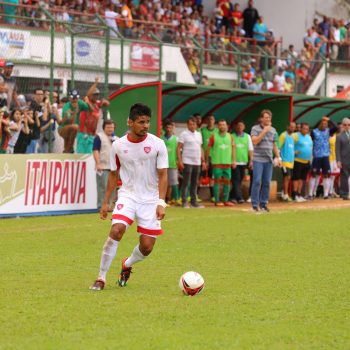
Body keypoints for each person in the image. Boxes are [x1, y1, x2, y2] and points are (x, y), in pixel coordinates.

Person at [90, 103, 168, 291]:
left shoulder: (157, 144)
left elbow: (163, 174)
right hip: (128, 195)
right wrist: (105, 202)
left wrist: (161, 202)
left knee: (147, 246)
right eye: (141, 122)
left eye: (148, 122)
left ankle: (127, 263)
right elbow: (113, 174)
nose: (146, 125)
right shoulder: (118, 146)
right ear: (130, 122)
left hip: (150, 199)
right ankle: (101, 278)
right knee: (117, 230)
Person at [250, 110, 281, 212]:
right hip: (258, 159)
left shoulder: (273, 130)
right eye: (266, 117)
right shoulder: (255, 128)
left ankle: (263, 204)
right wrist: (264, 131)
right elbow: (255, 141)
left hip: (268, 160)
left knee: (267, 182)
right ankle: (255, 204)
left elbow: (274, 145)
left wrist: (278, 157)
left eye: (269, 117)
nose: (268, 119)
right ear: (261, 118)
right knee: (257, 181)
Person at [205, 119, 235, 207]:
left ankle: (225, 200)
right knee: (217, 181)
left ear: (227, 126)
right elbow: (208, 149)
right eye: (220, 125)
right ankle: (217, 200)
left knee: (227, 182)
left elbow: (233, 149)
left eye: (224, 125)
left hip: (227, 163)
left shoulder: (230, 136)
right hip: (217, 163)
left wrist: (234, 160)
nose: (222, 126)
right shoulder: (213, 136)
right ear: (218, 126)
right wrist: (206, 161)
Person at [177, 116, 206, 208]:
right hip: (187, 161)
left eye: (193, 124)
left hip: (197, 162)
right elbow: (178, 148)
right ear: (187, 125)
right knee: (186, 182)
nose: (192, 126)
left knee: (195, 182)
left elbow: (200, 148)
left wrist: (203, 161)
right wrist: (180, 161)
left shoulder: (199, 134)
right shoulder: (184, 134)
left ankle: (194, 202)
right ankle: (184, 201)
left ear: (196, 125)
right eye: (190, 124)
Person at [307, 117, 338, 199]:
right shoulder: (314, 132)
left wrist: (329, 120)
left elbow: (336, 127)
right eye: (323, 123)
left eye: (326, 124)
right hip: (316, 156)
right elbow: (310, 142)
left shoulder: (328, 131)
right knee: (314, 175)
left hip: (325, 156)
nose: (324, 125)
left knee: (327, 175)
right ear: (319, 124)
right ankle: (311, 194)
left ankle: (326, 194)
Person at [77, 79, 109, 154]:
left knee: (90, 155)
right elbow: (88, 96)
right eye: (94, 95)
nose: (96, 96)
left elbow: (107, 103)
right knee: (81, 155)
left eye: (97, 95)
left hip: (92, 134)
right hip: (83, 134)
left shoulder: (97, 104)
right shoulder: (85, 102)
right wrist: (96, 83)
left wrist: (103, 102)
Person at [93, 119, 117, 210]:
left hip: (114, 168)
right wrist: (98, 163)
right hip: (103, 167)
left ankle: (110, 206)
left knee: (113, 188)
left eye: (112, 127)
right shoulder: (99, 137)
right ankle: (101, 206)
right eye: (108, 127)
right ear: (104, 128)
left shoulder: (116, 139)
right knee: (102, 187)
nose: (110, 129)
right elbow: (95, 150)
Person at [59, 89, 89, 153]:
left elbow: (88, 108)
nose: (75, 99)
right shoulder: (66, 106)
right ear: (69, 98)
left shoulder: (80, 103)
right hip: (63, 128)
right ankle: (70, 148)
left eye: (76, 97)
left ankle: (67, 151)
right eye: (73, 98)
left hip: (73, 129)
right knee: (75, 127)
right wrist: (75, 110)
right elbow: (70, 122)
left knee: (73, 131)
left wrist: (87, 102)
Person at [230, 121, 253, 203]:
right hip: (234, 162)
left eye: (241, 126)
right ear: (236, 127)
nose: (239, 127)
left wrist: (251, 160)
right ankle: (239, 197)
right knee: (236, 179)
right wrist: (232, 160)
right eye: (238, 126)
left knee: (239, 180)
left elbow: (250, 149)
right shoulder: (231, 136)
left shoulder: (247, 136)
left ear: (244, 127)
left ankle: (232, 197)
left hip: (244, 162)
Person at [292, 123, 313, 202]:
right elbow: (289, 144)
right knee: (296, 178)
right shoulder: (295, 135)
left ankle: (299, 194)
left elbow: (310, 147)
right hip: (297, 160)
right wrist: (293, 152)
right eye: (304, 128)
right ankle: (294, 194)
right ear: (300, 128)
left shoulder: (309, 137)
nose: (306, 130)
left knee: (302, 178)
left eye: (307, 129)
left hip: (306, 161)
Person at [162, 120, 180, 205]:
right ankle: (164, 200)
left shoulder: (176, 139)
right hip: (162, 164)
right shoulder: (161, 139)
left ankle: (175, 199)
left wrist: (178, 160)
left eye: (170, 127)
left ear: (172, 128)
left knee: (174, 182)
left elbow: (178, 151)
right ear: (164, 128)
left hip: (172, 163)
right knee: (163, 182)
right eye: (167, 127)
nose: (168, 129)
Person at [201, 114, 218, 201]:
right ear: (206, 121)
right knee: (200, 176)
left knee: (212, 177)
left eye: (212, 119)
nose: (210, 121)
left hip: (213, 157)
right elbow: (200, 144)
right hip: (203, 157)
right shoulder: (202, 130)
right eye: (209, 119)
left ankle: (213, 196)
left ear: (214, 121)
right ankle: (196, 195)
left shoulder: (217, 131)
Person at [279, 122, 296, 202]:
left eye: (294, 127)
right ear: (287, 127)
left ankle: (283, 193)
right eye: (291, 127)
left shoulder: (293, 136)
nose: (292, 129)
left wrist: (294, 152)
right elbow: (278, 146)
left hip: (291, 161)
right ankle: (285, 194)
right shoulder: (283, 135)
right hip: (284, 161)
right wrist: (279, 158)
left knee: (288, 178)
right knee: (287, 177)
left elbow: (291, 147)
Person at [336, 118, 350, 200]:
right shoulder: (339, 136)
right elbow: (337, 149)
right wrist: (338, 160)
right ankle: (344, 194)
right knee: (344, 177)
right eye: (345, 125)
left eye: (348, 125)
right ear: (342, 125)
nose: (347, 126)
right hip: (344, 159)